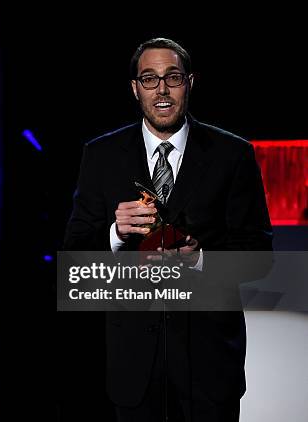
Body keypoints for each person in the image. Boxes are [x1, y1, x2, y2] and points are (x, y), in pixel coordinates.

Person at [64, 38, 272, 421]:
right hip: (133, 367)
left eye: (172, 77)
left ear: (190, 82)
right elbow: (75, 256)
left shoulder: (233, 154)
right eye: (149, 79)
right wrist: (114, 233)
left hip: (209, 366)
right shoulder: (102, 155)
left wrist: (201, 259)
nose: (161, 89)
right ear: (134, 88)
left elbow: (259, 256)